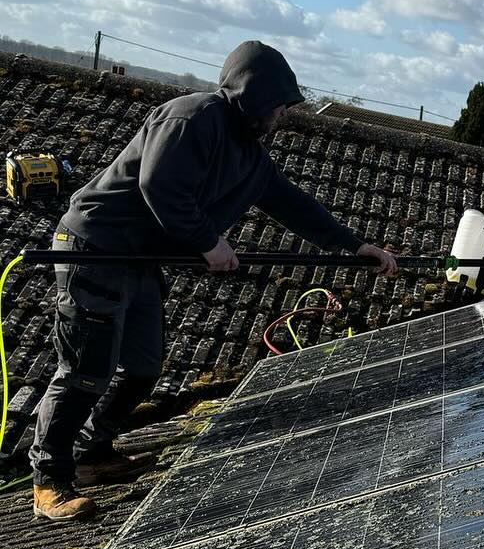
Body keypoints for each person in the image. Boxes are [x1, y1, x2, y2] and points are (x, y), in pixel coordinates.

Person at [30, 40, 398, 523]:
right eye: (280, 104)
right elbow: (158, 185)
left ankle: (92, 453)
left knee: (141, 366)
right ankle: (49, 481)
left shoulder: (250, 154)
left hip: (140, 260)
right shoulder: (191, 118)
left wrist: (353, 245)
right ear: (253, 94)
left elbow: (292, 204)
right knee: (83, 370)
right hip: (96, 247)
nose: (283, 115)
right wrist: (208, 242)